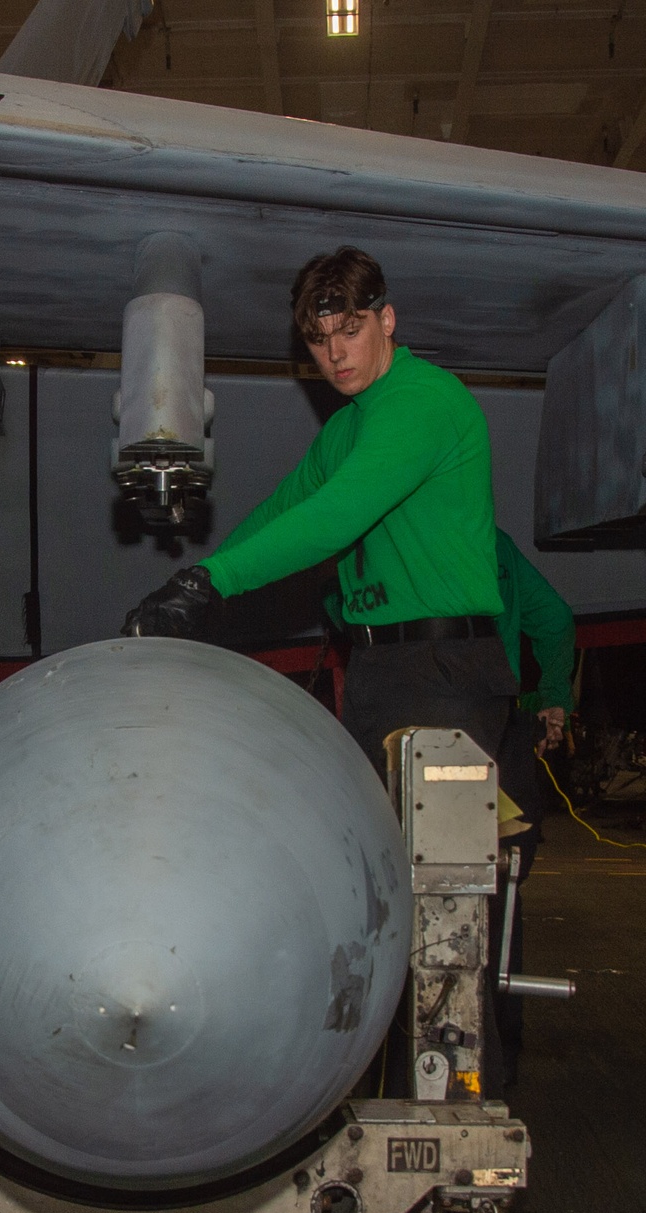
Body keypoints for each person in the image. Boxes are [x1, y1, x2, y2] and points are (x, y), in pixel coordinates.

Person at [122, 245, 518, 774]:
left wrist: (211, 583)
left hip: (443, 670)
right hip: (377, 668)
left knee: (432, 857)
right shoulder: (343, 430)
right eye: (318, 339)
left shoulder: (423, 401)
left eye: (350, 331)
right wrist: (191, 585)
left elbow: (334, 516)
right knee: (367, 852)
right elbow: (284, 510)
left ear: (387, 319)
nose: (335, 355)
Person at [490, 526, 576, 1085]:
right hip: (505, 732)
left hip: (430, 721)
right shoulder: (494, 541)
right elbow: (555, 619)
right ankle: (499, 1065)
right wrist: (552, 701)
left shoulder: (390, 522)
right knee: (503, 899)